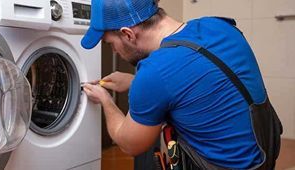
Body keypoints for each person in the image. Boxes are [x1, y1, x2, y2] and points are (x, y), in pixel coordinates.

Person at [81, 0, 282, 169]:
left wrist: (105, 100)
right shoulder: (220, 26)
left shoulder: (155, 70)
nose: (114, 51)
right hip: (264, 155)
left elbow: (129, 144)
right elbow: (201, 83)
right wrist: (134, 82)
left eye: (110, 43)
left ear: (128, 34)